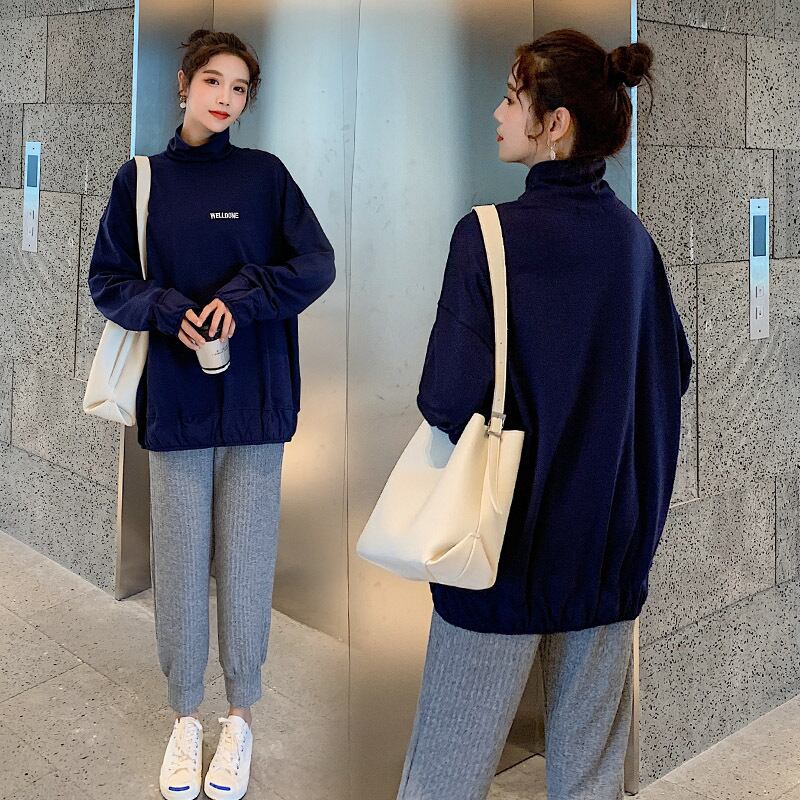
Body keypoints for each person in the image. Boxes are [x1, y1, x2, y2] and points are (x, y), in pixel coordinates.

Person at [396, 29, 692, 800]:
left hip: (502, 548)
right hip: (610, 550)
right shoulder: (635, 243)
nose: (497, 113)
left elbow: (446, 399)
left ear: (555, 123)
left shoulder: (488, 237)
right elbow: (674, 373)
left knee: (445, 773)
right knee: (590, 776)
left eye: (511, 98)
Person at [87, 28, 335, 800]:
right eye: (214, 82)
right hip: (178, 401)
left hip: (257, 400)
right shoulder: (142, 180)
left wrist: (245, 298)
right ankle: (185, 717)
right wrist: (169, 310)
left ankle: (240, 718)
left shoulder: (266, 177)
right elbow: (108, 281)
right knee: (180, 564)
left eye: (240, 89)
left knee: (249, 564)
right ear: (184, 84)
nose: (226, 98)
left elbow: (317, 263)